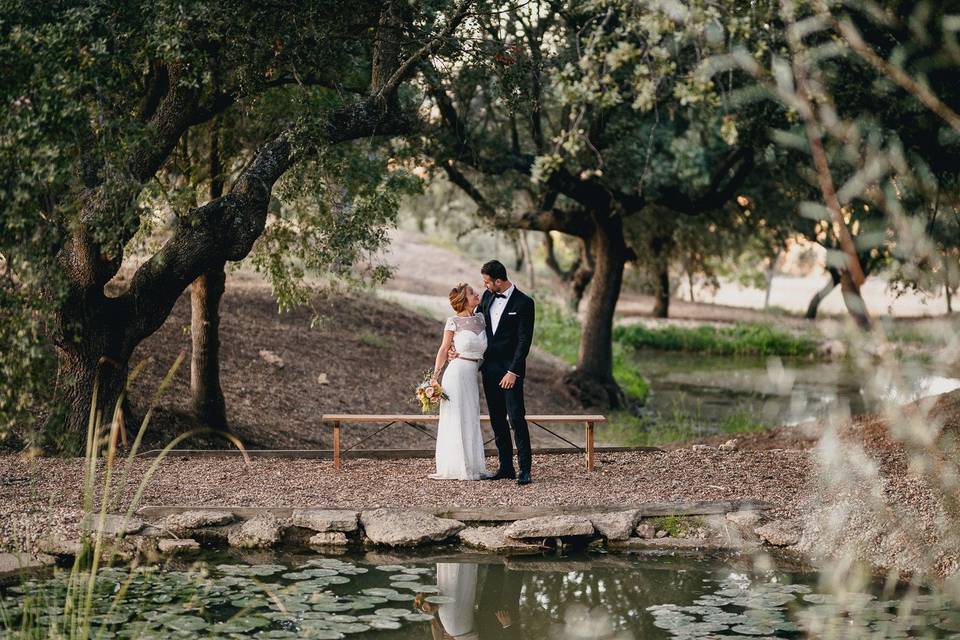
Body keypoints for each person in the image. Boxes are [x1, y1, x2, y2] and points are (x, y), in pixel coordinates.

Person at [450, 260, 535, 486]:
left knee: (516, 417)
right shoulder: (487, 298)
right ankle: (506, 467)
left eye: (487, 282)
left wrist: (513, 371)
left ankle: (525, 469)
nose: (485, 286)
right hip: (489, 369)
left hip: (510, 372)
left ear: (499, 281)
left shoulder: (525, 303)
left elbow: (524, 342)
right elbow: (469, 324)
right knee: (497, 420)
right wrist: (454, 350)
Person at [429, 283, 487, 480]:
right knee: (456, 417)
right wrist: (434, 378)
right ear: (464, 299)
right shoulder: (453, 322)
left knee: (470, 416)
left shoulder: (481, 319)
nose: (476, 294)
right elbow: (444, 349)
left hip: (472, 374)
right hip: (456, 373)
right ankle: (456, 466)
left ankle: (472, 465)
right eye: (472, 293)